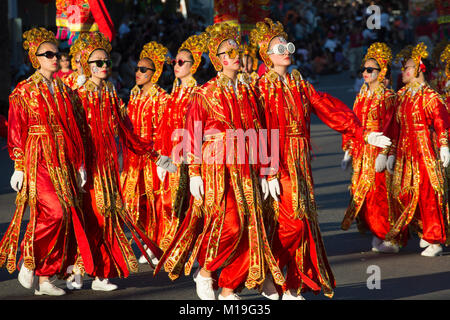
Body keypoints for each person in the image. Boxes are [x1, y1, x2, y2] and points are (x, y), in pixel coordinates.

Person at [249, 18, 392, 300]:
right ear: (266, 55)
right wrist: (267, 168)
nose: (286, 50)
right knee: (292, 223)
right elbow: (257, 130)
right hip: (277, 164)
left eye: (287, 45)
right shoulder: (260, 88)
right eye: (279, 47)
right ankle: (269, 276)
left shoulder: (299, 83)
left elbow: (328, 107)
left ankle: (289, 285)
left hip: (301, 164)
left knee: (304, 225)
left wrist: (362, 134)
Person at [155, 22, 283, 300]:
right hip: (217, 167)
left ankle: (228, 289)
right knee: (229, 226)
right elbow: (192, 133)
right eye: (228, 52)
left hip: (246, 165)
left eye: (237, 50)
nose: (236, 55)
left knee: (252, 227)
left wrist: (268, 169)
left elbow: (260, 130)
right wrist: (196, 172)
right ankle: (206, 271)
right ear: (217, 60)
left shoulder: (248, 90)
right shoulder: (205, 93)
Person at [73, 32, 175, 291]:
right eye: (98, 62)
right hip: (88, 169)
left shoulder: (110, 95)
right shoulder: (78, 96)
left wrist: (157, 156)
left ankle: (99, 274)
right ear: (87, 65)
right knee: (89, 217)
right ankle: (74, 267)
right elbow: (69, 134)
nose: (104, 66)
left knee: (108, 218)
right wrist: (77, 165)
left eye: (107, 62)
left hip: (109, 169)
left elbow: (128, 131)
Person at [0, 27, 92, 296]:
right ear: (35, 58)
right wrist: (18, 165)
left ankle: (45, 277)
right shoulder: (24, 90)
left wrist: (79, 163)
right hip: (37, 156)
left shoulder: (64, 89)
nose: (54, 57)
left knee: (65, 216)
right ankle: (30, 258)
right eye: (48, 54)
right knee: (55, 211)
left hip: (62, 158)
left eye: (56, 53)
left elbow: (75, 128)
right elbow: (16, 130)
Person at [384, 43, 450, 257]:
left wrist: (444, 145)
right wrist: (392, 152)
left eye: (408, 67)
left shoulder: (430, 96)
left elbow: (441, 121)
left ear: (419, 69)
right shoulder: (402, 96)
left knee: (428, 193)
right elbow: (394, 126)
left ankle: (435, 238)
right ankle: (420, 230)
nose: (403, 71)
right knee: (403, 192)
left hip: (424, 149)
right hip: (405, 150)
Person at [340, 43, 401, 252]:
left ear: (381, 71)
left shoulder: (388, 97)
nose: (365, 73)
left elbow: (391, 127)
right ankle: (378, 234)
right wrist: (348, 150)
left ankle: (390, 237)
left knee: (380, 196)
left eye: (370, 70)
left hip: (378, 152)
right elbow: (353, 124)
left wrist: (387, 153)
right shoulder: (362, 95)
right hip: (361, 153)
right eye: (363, 70)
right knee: (362, 196)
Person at [155, 33, 207, 255]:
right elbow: (165, 127)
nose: (176, 65)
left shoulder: (198, 93)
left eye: (181, 62)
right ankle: (172, 247)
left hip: (191, 155)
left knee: (191, 204)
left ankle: (189, 250)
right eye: (174, 62)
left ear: (193, 66)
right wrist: (162, 157)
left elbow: (199, 130)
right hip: (172, 156)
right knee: (169, 202)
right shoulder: (175, 92)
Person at [120, 41, 170, 266]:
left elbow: (165, 131)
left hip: (153, 158)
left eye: (143, 70)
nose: (138, 73)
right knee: (132, 204)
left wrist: (162, 160)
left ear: (155, 73)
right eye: (137, 69)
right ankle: (148, 242)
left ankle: (156, 245)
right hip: (133, 159)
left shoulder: (162, 98)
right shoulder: (134, 95)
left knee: (154, 203)